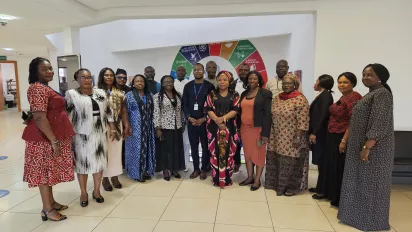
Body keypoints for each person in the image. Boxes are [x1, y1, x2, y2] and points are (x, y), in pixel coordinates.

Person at [338, 64, 394, 231]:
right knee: (359, 182)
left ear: (380, 77)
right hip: (361, 146)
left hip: (374, 150)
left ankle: (371, 221)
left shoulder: (382, 94)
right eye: (364, 74)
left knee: (371, 185)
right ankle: (354, 216)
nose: (365, 77)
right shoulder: (372, 94)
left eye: (370, 74)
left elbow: (379, 123)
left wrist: (367, 147)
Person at [22, 57, 75, 221]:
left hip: (51, 135)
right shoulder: (37, 88)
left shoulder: (44, 87)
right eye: (44, 69)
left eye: (50, 68)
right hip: (43, 139)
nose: (49, 71)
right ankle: (47, 209)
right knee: (44, 173)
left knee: (50, 171)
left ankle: (51, 202)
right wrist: (53, 141)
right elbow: (39, 117)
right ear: (35, 71)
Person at [66, 68, 114, 207]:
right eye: (83, 77)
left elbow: (108, 111)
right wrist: (68, 135)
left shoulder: (100, 92)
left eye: (89, 77)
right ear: (77, 79)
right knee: (83, 165)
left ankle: (97, 191)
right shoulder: (72, 94)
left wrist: (111, 127)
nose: (87, 80)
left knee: (99, 164)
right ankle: (83, 193)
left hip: (100, 133)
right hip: (81, 135)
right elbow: (68, 116)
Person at [265, 74, 309, 196]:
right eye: (284, 83)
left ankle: (291, 187)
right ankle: (275, 184)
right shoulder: (278, 98)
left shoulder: (300, 99)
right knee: (276, 159)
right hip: (276, 135)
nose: (286, 85)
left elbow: (303, 120)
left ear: (295, 85)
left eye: (289, 83)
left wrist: (298, 137)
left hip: (292, 137)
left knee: (291, 162)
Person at [324, 72, 362, 207]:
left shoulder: (354, 98)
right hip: (333, 135)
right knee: (334, 168)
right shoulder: (343, 97)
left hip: (343, 136)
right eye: (340, 82)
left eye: (345, 82)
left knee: (340, 169)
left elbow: (354, 121)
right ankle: (334, 196)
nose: (341, 84)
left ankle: (340, 199)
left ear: (353, 83)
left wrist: (344, 140)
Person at [205, 71, 240, 188]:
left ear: (229, 81)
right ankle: (216, 179)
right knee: (215, 152)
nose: (222, 82)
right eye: (219, 79)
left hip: (230, 128)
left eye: (225, 80)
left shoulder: (235, 95)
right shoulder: (211, 94)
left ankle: (227, 178)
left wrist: (223, 119)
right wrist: (217, 120)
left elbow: (236, 110)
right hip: (214, 128)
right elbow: (208, 108)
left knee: (228, 153)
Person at [98, 68, 131, 191]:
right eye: (106, 75)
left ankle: (115, 177)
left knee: (116, 152)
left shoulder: (119, 92)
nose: (109, 77)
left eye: (111, 75)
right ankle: (105, 178)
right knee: (105, 153)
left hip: (117, 125)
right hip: (101, 126)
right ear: (102, 76)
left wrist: (126, 125)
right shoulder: (96, 92)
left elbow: (123, 110)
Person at [238, 71, 272, 191]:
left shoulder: (265, 93)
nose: (252, 81)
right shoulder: (244, 94)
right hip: (245, 129)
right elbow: (240, 112)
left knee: (259, 154)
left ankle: (257, 180)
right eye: (250, 79)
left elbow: (268, 114)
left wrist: (265, 134)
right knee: (247, 154)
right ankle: (249, 177)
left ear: (259, 81)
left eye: (255, 78)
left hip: (258, 129)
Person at [183, 63, 215, 180]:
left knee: (205, 147)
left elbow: (212, 104)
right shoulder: (188, 86)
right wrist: (189, 117)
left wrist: (204, 118)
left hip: (205, 122)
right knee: (193, 146)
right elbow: (184, 104)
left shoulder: (209, 86)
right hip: (191, 122)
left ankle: (204, 169)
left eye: (199, 70)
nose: (197, 71)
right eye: (195, 70)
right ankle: (196, 168)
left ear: (203, 71)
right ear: (193, 72)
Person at [154, 75, 186, 181]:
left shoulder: (178, 95)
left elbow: (180, 111)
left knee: (175, 149)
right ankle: (166, 169)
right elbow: (156, 112)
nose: (169, 83)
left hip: (177, 126)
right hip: (164, 127)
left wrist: (183, 123)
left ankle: (174, 169)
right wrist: (157, 128)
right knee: (165, 150)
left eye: (171, 82)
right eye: (166, 82)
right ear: (162, 84)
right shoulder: (157, 96)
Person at [124, 74, 156, 182]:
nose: (139, 83)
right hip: (135, 128)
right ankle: (136, 174)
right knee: (136, 150)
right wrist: (127, 126)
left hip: (148, 128)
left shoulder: (150, 95)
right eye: (137, 81)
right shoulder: (129, 95)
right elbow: (125, 112)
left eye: (142, 81)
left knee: (147, 149)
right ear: (133, 83)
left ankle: (145, 171)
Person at [308, 75, 334, 197]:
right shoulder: (323, 95)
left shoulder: (326, 96)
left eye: (317, 81)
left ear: (322, 82)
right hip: (319, 132)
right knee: (319, 162)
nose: (315, 83)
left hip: (321, 134)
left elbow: (322, 116)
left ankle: (322, 190)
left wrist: (314, 132)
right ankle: (320, 187)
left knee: (322, 162)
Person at [231, 63, 251, 173]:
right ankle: (237, 163)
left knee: (248, 143)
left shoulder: (253, 83)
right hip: (235, 117)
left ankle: (250, 165)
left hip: (249, 117)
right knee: (236, 141)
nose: (243, 71)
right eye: (241, 70)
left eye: (245, 70)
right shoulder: (233, 84)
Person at [173, 65, 190, 172]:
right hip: (173, 116)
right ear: (176, 72)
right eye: (178, 70)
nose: (180, 72)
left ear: (186, 72)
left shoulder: (188, 84)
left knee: (186, 141)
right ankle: (175, 163)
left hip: (186, 114)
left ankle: (185, 164)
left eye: (183, 70)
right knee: (175, 141)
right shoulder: (172, 83)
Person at [115, 68, 130, 170]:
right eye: (120, 77)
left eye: (124, 78)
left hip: (126, 119)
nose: (122, 80)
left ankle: (124, 165)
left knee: (125, 143)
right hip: (113, 121)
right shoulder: (111, 89)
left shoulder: (129, 90)